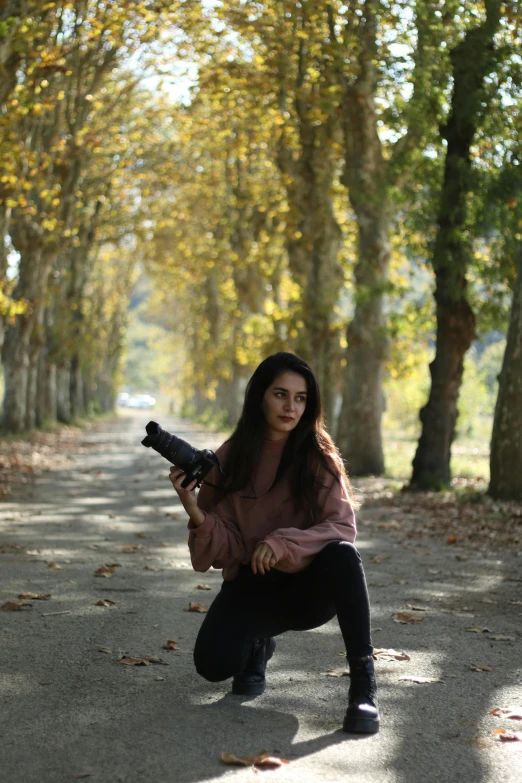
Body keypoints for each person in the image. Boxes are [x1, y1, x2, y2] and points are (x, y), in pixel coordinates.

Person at [169, 352, 379, 734]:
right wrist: (191, 505)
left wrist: (283, 543)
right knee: (213, 665)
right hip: (251, 582)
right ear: (260, 397)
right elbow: (221, 547)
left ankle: (363, 683)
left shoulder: (319, 456)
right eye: (280, 394)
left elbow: (342, 527)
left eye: (300, 398)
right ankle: (256, 646)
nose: (291, 406)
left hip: (305, 589)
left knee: (344, 556)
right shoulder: (231, 457)